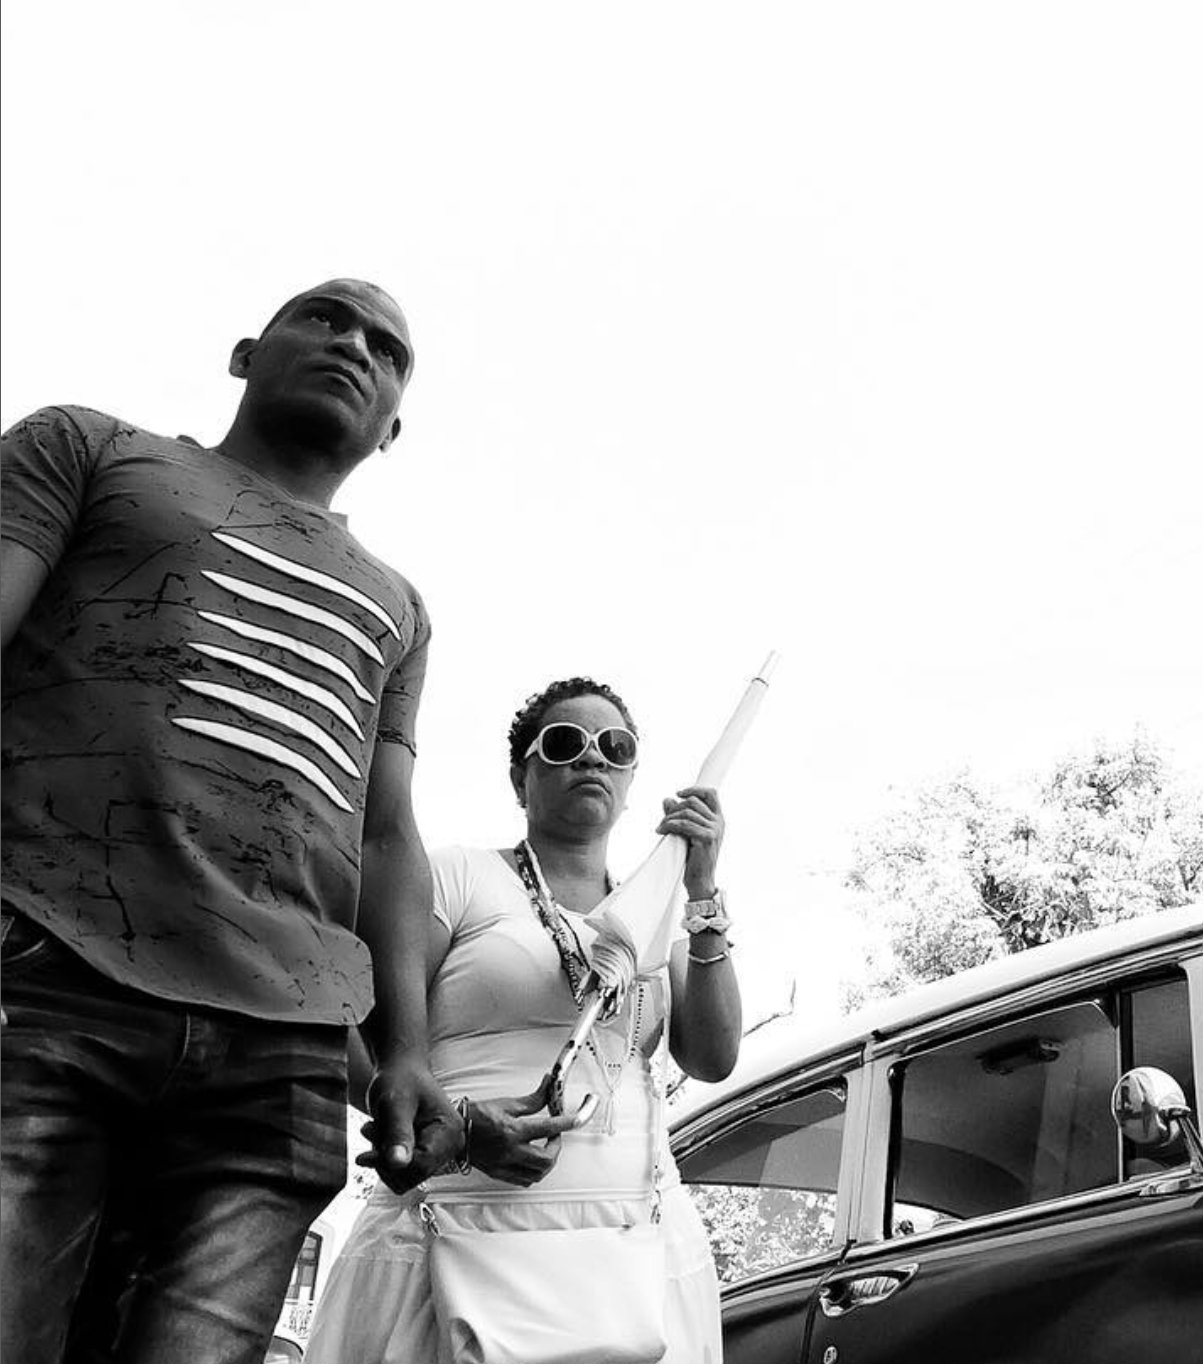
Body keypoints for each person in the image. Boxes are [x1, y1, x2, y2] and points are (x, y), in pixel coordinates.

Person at [0, 279, 462, 1364]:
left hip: (280, 1052)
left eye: (387, 348)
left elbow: (384, 831)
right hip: (47, 970)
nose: (355, 345)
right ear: (246, 352)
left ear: (394, 428)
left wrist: (407, 1051)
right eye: (325, 317)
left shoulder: (397, 606)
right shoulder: (89, 448)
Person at [305, 675, 740, 1364]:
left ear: (632, 781)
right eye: (565, 742)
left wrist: (701, 892)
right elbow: (351, 1030)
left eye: (615, 747)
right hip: (458, 1229)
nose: (592, 757)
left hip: (632, 1255)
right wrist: (451, 1129)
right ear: (520, 777)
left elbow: (712, 1058)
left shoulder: (655, 913)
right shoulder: (459, 878)